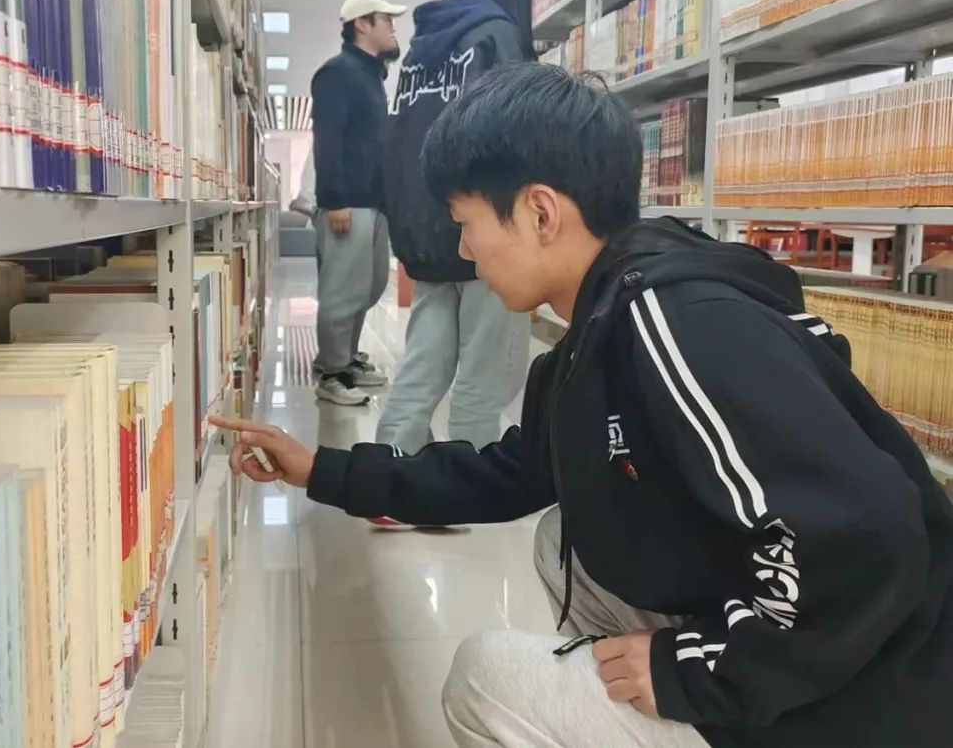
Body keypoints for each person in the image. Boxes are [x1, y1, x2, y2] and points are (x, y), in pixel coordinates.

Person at [212, 64, 953, 748]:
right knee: (568, 534)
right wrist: (322, 470)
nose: (465, 251)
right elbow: (511, 474)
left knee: (485, 677)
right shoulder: (601, 324)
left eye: (467, 223)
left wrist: (694, 671)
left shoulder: (682, 326)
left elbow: (868, 539)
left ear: (540, 213)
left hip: (856, 702)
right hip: (804, 650)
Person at [375, 0, 534, 458]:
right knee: (485, 378)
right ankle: (472, 476)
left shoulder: (420, 50)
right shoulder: (497, 36)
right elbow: (521, 136)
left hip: (426, 233)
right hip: (487, 229)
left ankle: (391, 470)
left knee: (421, 368)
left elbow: (398, 141)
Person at [310, 0, 403, 407]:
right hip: (347, 204)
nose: (394, 28)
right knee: (342, 293)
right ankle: (331, 372)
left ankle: (345, 359)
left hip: (374, 203)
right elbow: (327, 140)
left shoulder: (370, 76)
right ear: (362, 24)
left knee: (368, 287)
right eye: (387, 20)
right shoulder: (338, 73)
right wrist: (335, 200)